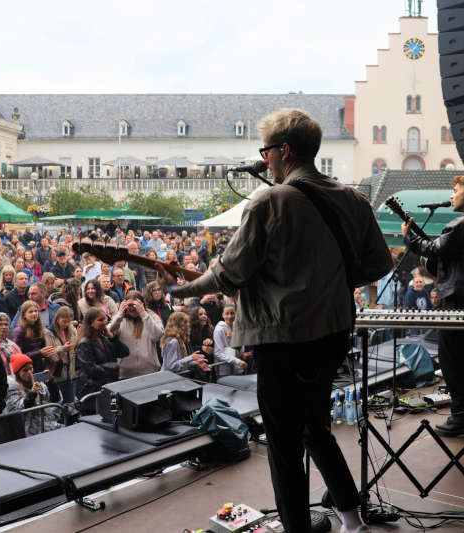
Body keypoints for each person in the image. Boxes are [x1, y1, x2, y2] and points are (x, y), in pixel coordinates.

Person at [161, 108, 392, 533]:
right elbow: (378, 262)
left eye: (265, 150)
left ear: (284, 151)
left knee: (284, 444)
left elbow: (229, 274)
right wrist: (332, 281)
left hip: (282, 339)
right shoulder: (353, 198)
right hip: (333, 331)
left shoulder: (270, 200)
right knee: (315, 429)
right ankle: (351, 517)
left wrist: (178, 290)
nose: (263, 158)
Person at [402, 173, 464, 437]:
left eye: (455, 190)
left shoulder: (463, 223)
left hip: (456, 302)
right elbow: (458, 260)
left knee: (451, 360)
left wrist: (409, 239)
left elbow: (434, 250)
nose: (451, 195)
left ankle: (461, 417)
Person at [76, 308, 130, 406]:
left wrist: (112, 337)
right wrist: (114, 367)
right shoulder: (84, 344)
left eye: (105, 319)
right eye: (100, 320)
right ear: (91, 323)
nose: (104, 322)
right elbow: (90, 369)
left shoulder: (105, 339)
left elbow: (125, 353)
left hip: (109, 388)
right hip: (94, 392)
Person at [109, 291, 164, 379]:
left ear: (142, 304)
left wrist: (143, 314)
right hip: (126, 373)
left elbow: (157, 336)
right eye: (129, 305)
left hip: (149, 371)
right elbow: (109, 332)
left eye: (135, 305)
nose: (132, 308)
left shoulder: (152, 317)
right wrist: (119, 314)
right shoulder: (120, 320)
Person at [4, 353, 63, 435]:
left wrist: (51, 383)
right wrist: (32, 394)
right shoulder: (11, 388)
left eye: (31, 368)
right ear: (17, 373)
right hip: (26, 431)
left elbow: (54, 401)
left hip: (47, 426)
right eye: (25, 370)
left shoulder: (39, 383)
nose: (29, 372)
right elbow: (17, 409)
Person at [44, 306, 78, 403]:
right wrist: (62, 348)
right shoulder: (48, 332)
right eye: (64, 321)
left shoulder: (71, 329)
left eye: (68, 321)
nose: (66, 324)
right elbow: (49, 354)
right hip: (57, 373)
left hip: (70, 371)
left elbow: (75, 343)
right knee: (59, 401)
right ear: (57, 319)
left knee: (70, 401)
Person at [159, 311, 210, 376]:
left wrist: (196, 363)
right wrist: (191, 357)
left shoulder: (179, 339)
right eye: (185, 322)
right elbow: (171, 366)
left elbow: (181, 362)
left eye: (188, 322)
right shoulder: (173, 342)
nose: (188, 325)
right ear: (176, 324)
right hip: (170, 379)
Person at [212, 303, 251, 377]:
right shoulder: (219, 330)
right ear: (223, 315)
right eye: (227, 313)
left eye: (232, 313)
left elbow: (241, 349)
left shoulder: (238, 328)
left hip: (238, 368)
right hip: (224, 370)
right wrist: (237, 361)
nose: (229, 316)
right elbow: (218, 353)